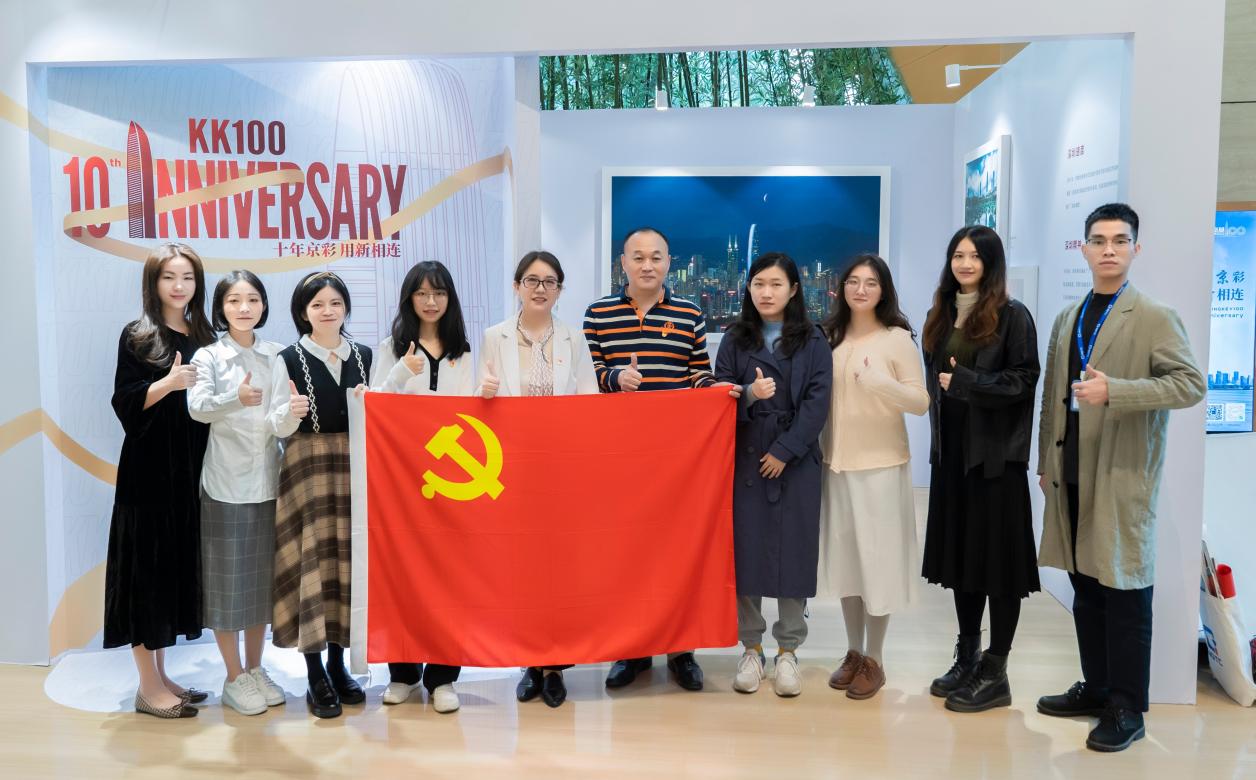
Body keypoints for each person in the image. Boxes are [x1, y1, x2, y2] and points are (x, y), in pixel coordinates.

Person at [1035, 203, 1204, 752]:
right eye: (1099, 240)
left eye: (1120, 240)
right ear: (1084, 248)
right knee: (1086, 590)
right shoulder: (1068, 317)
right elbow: (1052, 397)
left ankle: (1128, 708)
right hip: (1071, 473)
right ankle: (1098, 687)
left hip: (1121, 474)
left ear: (1136, 248)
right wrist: (1044, 461)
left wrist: (1119, 391)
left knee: (1125, 593)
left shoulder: (1153, 316)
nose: (1109, 249)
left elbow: (1190, 385)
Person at [582, 226, 740, 692]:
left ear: (669, 262)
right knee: (626, 554)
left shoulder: (689, 314)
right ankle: (631, 650)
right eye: (638, 257)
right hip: (619, 456)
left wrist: (716, 389)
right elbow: (587, 373)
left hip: (676, 460)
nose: (647, 265)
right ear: (623, 263)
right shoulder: (598, 314)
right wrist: (614, 378)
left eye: (656, 257)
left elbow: (697, 375)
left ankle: (681, 649)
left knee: (677, 551)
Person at [919, 226, 1041, 713]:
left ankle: (996, 670)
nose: (965, 263)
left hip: (994, 462)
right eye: (958, 255)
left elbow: (1024, 380)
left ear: (991, 263)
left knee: (999, 569)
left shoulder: (1013, 316)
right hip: (952, 458)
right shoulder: (941, 314)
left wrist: (968, 382)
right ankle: (967, 656)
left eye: (975, 256)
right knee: (963, 564)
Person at [478, 250, 598, 708]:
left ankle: (556, 666)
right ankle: (529, 662)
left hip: (562, 468)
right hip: (513, 467)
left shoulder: (573, 337)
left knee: (561, 568)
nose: (540, 289)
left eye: (550, 281)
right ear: (517, 287)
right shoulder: (494, 337)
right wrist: (484, 392)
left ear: (560, 290)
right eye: (532, 280)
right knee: (522, 567)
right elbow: (478, 399)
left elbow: (588, 397)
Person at [714, 252, 832, 697]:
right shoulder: (735, 337)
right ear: (748, 288)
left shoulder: (814, 339)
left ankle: (788, 650)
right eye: (759, 284)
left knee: (793, 553)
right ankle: (751, 648)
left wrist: (784, 451)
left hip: (796, 460)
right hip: (746, 458)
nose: (766, 292)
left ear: (794, 289)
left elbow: (818, 402)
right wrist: (748, 393)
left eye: (776, 284)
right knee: (746, 554)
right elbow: (719, 392)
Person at [104, 242, 213, 719]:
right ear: (153, 282)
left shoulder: (204, 333)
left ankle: (162, 677)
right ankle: (147, 687)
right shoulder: (138, 335)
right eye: (169, 276)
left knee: (169, 573)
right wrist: (169, 383)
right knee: (145, 575)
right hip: (148, 473)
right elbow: (125, 403)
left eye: (187, 277)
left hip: (190, 471)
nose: (179, 286)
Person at [818, 254, 929, 701]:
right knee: (849, 565)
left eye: (871, 283)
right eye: (853, 281)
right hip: (836, 464)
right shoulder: (830, 336)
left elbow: (920, 402)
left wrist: (879, 383)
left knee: (877, 566)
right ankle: (853, 651)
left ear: (883, 291)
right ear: (841, 287)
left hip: (881, 467)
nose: (860, 290)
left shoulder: (896, 339)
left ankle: (875, 659)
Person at [266, 271, 372, 719]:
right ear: (303, 312)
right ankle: (314, 673)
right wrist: (290, 412)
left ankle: (338, 665)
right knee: (313, 561)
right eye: (317, 305)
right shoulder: (288, 358)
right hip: (307, 468)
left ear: (346, 307)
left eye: (335, 303)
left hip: (355, 469)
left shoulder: (365, 355)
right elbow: (275, 424)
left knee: (345, 565)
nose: (327, 311)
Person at [370, 260, 473, 714]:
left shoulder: (464, 352)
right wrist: (400, 372)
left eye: (439, 293)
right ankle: (404, 673)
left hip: (452, 482)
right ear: (409, 298)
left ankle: (444, 676)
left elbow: (471, 415)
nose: (431, 302)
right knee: (403, 575)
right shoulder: (389, 348)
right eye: (422, 293)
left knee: (451, 579)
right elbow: (373, 405)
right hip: (402, 482)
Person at [187, 270, 286, 716]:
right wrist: (236, 398)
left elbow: (281, 416)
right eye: (233, 301)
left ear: (263, 305)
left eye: (252, 300)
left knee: (260, 585)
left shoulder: (277, 354)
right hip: (225, 485)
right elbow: (197, 409)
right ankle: (232, 677)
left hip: (269, 481)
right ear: (221, 308)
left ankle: (255, 668)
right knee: (227, 586)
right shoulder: (208, 355)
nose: (244, 308)